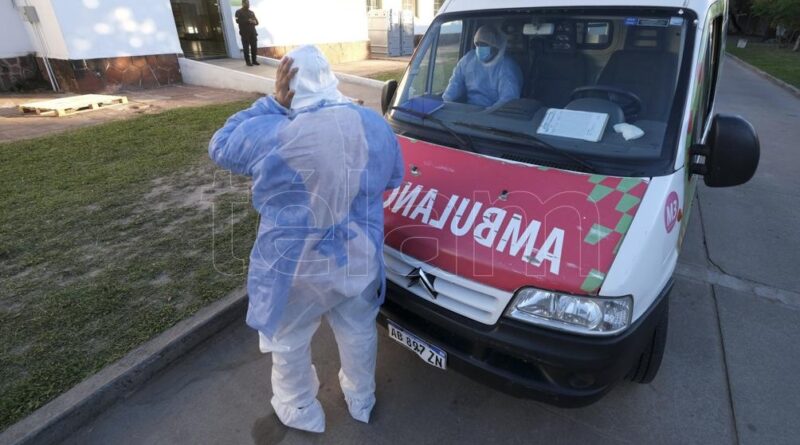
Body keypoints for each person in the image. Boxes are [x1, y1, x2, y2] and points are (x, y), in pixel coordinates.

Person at [208, 45, 404, 433]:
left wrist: (273, 103)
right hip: (358, 257)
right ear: (330, 79)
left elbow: (222, 144)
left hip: (295, 268)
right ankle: (361, 398)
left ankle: (300, 408)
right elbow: (394, 177)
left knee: (289, 340)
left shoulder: (273, 132)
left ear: (289, 86)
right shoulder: (375, 124)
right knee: (358, 330)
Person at [442, 24, 523, 111]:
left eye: (484, 44)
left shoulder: (506, 66)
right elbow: (455, 84)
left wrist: (485, 114)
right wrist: (444, 102)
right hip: (469, 111)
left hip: (494, 115)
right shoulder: (468, 59)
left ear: (495, 46)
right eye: (478, 44)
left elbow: (508, 101)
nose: (480, 48)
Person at [235, 0, 260, 66]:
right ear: (243, 3)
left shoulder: (251, 12)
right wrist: (248, 20)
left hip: (253, 33)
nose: (248, 4)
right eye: (246, 3)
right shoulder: (238, 12)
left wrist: (254, 21)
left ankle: (254, 61)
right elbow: (237, 21)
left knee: (254, 47)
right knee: (246, 49)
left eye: (248, 3)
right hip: (244, 34)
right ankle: (248, 62)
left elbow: (257, 22)